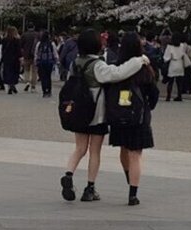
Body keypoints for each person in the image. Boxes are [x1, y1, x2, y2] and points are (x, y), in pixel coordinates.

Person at [61, 29, 150, 203]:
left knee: (79, 148)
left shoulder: (75, 63)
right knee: (94, 151)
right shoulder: (98, 65)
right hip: (95, 114)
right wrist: (139, 60)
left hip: (77, 112)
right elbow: (117, 73)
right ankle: (90, 187)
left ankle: (68, 174)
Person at [104, 32, 159, 206]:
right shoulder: (145, 68)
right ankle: (133, 193)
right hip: (139, 116)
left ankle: (129, 178)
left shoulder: (116, 68)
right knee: (136, 154)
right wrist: (149, 106)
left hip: (119, 114)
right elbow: (154, 93)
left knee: (124, 150)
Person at [163, 33, 191, 102]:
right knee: (179, 82)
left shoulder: (169, 46)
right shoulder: (181, 46)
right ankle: (179, 96)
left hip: (172, 64)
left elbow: (166, 57)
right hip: (180, 63)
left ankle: (168, 96)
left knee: (171, 82)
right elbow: (183, 54)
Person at [35, 30, 58, 98]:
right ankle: (49, 91)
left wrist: (36, 61)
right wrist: (56, 60)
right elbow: (55, 53)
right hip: (49, 62)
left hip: (41, 62)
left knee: (43, 77)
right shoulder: (52, 44)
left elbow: (36, 53)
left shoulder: (39, 44)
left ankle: (44, 91)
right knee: (48, 77)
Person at [1, 26, 22, 95]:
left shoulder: (4, 40)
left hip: (7, 58)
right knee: (14, 72)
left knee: (8, 72)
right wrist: (20, 57)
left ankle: (10, 85)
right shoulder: (17, 40)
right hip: (15, 59)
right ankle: (13, 85)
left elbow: (2, 49)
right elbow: (19, 50)